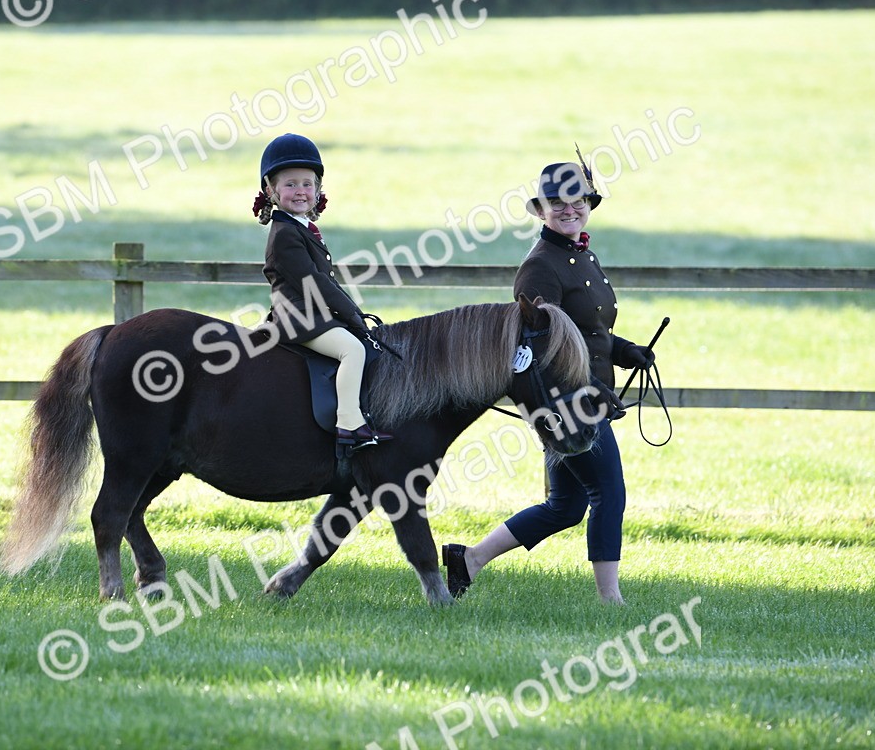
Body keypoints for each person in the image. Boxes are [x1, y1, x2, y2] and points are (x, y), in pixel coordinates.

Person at [442, 158, 654, 604]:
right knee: (609, 496)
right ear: (541, 211)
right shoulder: (540, 267)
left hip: (589, 395)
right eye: (556, 203)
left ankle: (470, 560)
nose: (569, 210)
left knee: (566, 507)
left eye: (577, 201)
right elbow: (541, 347)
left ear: (589, 203)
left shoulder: (581, 254)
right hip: (565, 403)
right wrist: (583, 390)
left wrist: (623, 350)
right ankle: (610, 599)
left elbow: (585, 332)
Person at [254, 133, 392, 456]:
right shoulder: (285, 234)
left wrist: (351, 313)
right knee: (352, 351)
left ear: (317, 190)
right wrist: (353, 316)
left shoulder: (300, 226)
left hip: (314, 314)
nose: (300, 191)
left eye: (307, 184)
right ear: (271, 191)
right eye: (290, 184)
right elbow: (315, 283)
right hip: (299, 319)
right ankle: (349, 421)